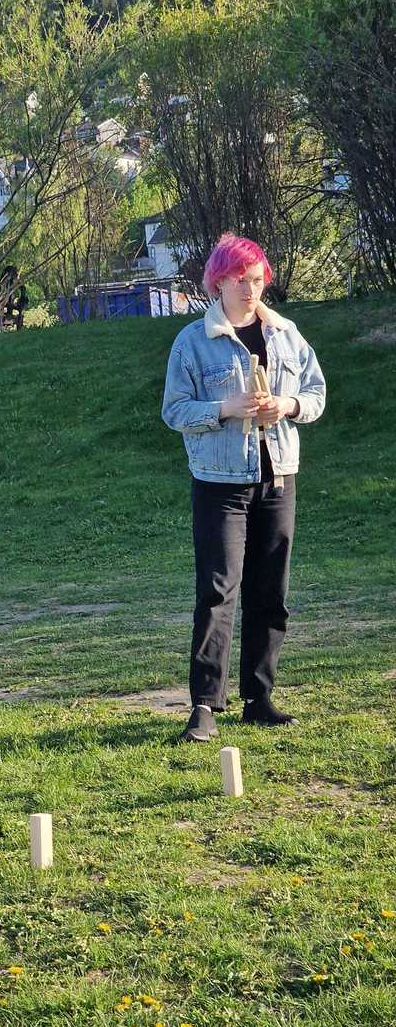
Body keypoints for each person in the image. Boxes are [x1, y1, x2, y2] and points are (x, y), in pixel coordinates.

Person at [161, 234, 325, 743]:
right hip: (220, 485)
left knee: (270, 591)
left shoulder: (287, 334)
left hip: (278, 477)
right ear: (218, 282)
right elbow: (174, 411)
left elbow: (315, 393)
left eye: (257, 280)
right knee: (217, 592)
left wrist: (289, 406)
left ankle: (259, 696)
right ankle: (205, 705)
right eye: (240, 280)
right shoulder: (193, 340)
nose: (250, 289)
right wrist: (223, 410)